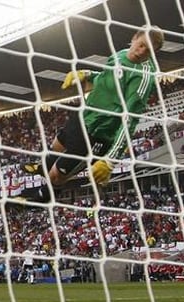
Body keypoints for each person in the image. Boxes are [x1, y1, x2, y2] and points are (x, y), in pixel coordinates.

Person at [22, 26, 164, 202]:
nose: (141, 51)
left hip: (98, 133)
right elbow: (104, 77)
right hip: (85, 115)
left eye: (148, 51)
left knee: (56, 176)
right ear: (134, 38)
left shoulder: (142, 77)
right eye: (141, 45)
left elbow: (130, 120)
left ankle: (39, 201)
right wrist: (86, 74)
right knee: (57, 146)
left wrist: (111, 161)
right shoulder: (120, 54)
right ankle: (43, 168)